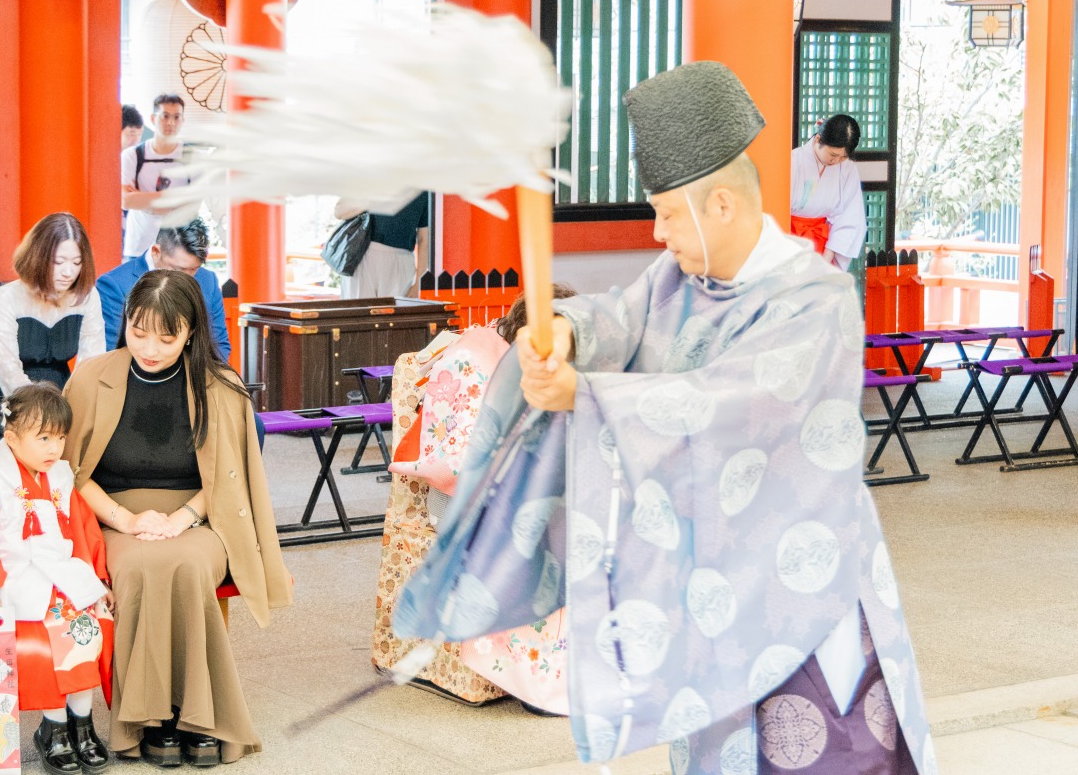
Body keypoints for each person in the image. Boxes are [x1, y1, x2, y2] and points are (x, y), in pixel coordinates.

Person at [396, 63, 934, 774]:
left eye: (668, 213)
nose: (658, 231)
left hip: (796, 583)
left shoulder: (818, 299)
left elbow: (731, 404)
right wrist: (562, 333)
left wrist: (584, 398)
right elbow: (618, 318)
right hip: (711, 585)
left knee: (820, 753)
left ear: (721, 205)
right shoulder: (679, 279)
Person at [63, 270, 291, 767]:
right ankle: (152, 718)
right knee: (137, 568)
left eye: (167, 336)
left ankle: (200, 714)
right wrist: (124, 520)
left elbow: (229, 480)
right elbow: (69, 472)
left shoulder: (220, 384)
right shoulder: (91, 376)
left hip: (199, 517)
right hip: (113, 514)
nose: (150, 347)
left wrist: (182, 518)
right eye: (138, 331)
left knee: (186, 566)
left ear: (191, 331)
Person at [0, 383, 113, 775]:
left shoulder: (59, 475)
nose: (54, 448)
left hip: (60, 576)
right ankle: (54, 727)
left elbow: (82, 531)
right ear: (11, 438)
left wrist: (95, 579)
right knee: (46, 640)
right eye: (43, 438)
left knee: (90, 628)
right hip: (11, 579)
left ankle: (82, 724)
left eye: (60, 437)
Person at [0, 213, 104, 443]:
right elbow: (7, 367)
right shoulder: (5, 297)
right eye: (59, 262)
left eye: (76, 262)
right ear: (38, 256)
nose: (68, 272)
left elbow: (91, 363)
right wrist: (40, 414)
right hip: (6, 397)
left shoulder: (87, 297)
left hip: (61, 394)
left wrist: (74, 408)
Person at [95, 219, 230, 362]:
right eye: (179, 269)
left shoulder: (208, 280)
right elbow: (115, 352)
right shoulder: (115, 285)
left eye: (194, 269)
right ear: (156, 252)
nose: (188, 277)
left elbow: (219, 343)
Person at [121, 94, 192, 262]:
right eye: (165, 116)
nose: (171, 122)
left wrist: (144, 200)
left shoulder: (192, 156)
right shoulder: (133, 155)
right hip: (138, 247)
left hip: (178, 249)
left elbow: (192, 206)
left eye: (176, 117)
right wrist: (173, 199)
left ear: (183, 120)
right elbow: (126, 201)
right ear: (153, 119)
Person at [790, 114, 866, 270]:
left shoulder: (848, 169)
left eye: (843, 157)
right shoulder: (793, 161)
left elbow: (849, 219)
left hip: (824, 248)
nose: (836, 161)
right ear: (818, 139)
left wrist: (824, 263)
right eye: (833, 155)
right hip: (788, 244)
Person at [335, 192, 430, 299]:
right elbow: (339, 211)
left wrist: (419, 284)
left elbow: (425, 240)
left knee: (395, 313)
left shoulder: (423, 189)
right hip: (362, 253)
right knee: (358, 312)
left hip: (401, 260)